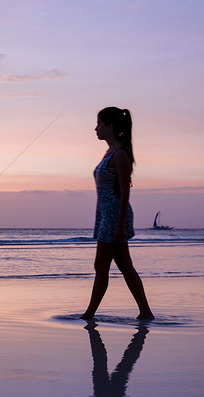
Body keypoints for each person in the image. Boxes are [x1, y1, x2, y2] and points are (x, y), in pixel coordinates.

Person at [80, 107, 154, 320]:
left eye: (99, 124)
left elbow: (124, 193)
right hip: (107, 214)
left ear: (110, 126)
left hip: (114, 215)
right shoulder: (111, 152)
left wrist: (120, 225)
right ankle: (146, 312)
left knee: (100, 265)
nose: (96, 129)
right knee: (124, 266)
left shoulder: (120, 154)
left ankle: (89, 314)